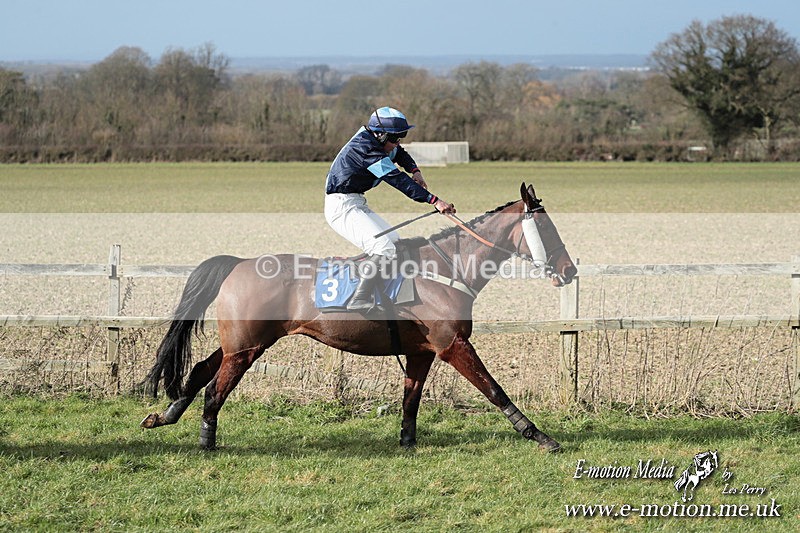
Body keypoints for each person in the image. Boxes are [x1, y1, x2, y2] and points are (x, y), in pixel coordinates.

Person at [324, 106, 456, 311]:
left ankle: (384, 293)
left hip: (356, 202)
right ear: (380, 134)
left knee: (394, 242)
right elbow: (397, 179)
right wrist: (434, 201)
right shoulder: (366, 149)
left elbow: (400, 154)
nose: (398, 142)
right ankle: (359, 299)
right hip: (341, 207)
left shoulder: (380, 140)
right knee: (383, 248)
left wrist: (416, 171)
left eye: (401, 137)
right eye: (395, 138)